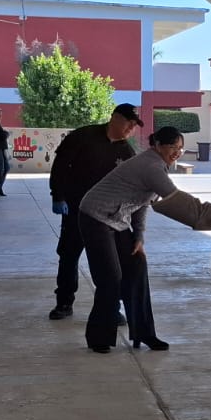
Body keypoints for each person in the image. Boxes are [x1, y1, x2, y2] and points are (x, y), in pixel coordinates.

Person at [78, 126, 211, 353]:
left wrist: (139, 236)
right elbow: (195, 213)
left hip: (117, 220)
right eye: (173, 146)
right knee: (111, 278)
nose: (177, 152)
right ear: (158, 146)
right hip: (95, 216)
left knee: (136, 267)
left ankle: (144, 334)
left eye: (181, 148)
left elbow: (143, 202)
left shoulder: (156, 166)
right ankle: (98, 338)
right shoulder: (151, 166)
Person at [47, 103, 140, 320]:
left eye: (135, 125)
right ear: (115, 118)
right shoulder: (83, 136)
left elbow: (133, 187)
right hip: (75, 210)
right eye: (128, 122)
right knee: (69, 256)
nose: (131, 128)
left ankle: (111, 308)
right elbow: (60, 167)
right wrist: (57, 196)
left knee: (109, 264)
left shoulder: (127, 152)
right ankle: (64, 303)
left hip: (108, 218)